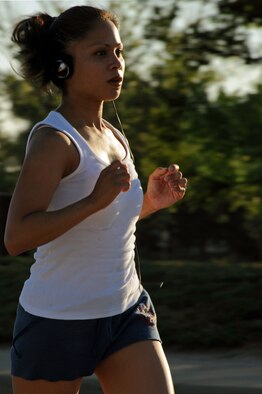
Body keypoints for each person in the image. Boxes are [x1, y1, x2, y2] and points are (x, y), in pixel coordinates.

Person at [5, 5, 188, 394]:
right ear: (62, 66)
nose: (116, 63)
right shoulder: (54, 141)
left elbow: (103, 228)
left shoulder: (114, 136)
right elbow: (16, 237)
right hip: (57, 320)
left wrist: (150, 203)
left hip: (126, 313)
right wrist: (92, 201)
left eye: (119, 52)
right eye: (100, 53)